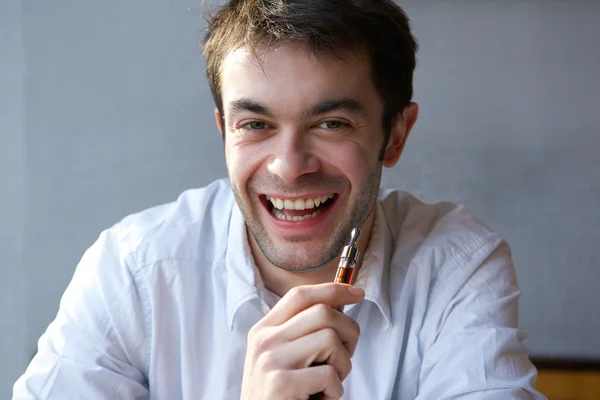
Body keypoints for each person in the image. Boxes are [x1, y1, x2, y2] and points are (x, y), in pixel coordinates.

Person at [13, 0, 546, 399]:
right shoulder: (131, 269)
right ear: (225, 132)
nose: (289, 166)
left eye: (332, 122)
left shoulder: (456, 265)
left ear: (395, 135)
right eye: (256, 125)